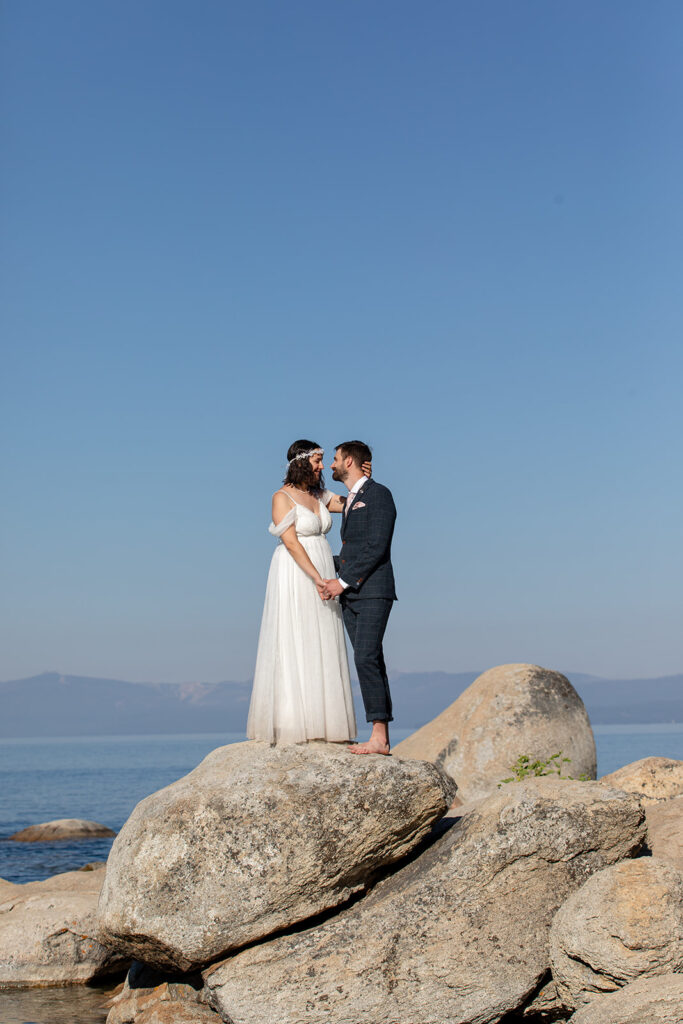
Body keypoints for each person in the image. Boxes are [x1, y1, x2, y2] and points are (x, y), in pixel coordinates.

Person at [246, 440, 370, 745]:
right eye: (317, 461)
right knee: (296, 637)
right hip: (296, 571)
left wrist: (366, 480)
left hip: (323, 568)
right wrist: (317, 577)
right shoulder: (282, 497)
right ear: (301, 462)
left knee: (323, 638)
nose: (321, 467)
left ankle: (325, 722)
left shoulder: (319, 495)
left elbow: (353, 503)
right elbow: (290, 542)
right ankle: (293, 721)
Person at [321, 442, 397, 755]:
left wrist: (342, 580)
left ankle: (379, 737)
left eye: (335, 459)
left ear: (349, 460)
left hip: (374, 591)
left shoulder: (379, 494)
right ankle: (381, 735)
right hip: (351, 594)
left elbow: (377, 546)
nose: (331, 465)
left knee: (365, 656)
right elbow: (353, 548)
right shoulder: (352, 499)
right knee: (368, 658)